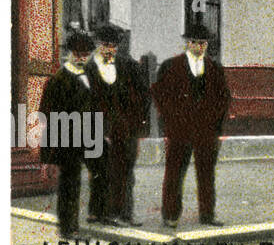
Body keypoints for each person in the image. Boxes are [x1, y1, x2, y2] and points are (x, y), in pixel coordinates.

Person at [152, 22, 230, 228]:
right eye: (194, 42)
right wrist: (170, 120)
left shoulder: (214, 68)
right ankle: (170, 214)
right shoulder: (171, 65)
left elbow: (223, 98)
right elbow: (160, 95)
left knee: (206, 174)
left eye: (203, 43)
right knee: (174, 173)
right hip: (179, 130)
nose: (199, 46)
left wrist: (216, 126)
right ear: (187, 43)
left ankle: (207, 214)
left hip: (206, 131)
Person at [87, 24, 150, 226]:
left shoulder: (128, 66)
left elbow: (143, 96)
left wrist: (139, 126)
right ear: (97, 44)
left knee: (126, 171)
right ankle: (101, 213)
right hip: (98, 128)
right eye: (105, 45)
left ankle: (125, 213)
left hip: (125, 129)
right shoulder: (88, 69)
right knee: (102, 171)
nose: (109, 49)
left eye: (113, 45)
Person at [38, 31, 98, 237]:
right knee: (69, 185)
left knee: (87, 181)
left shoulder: (89, 76)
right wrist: (48, 154)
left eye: (86, 54)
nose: (82, 58)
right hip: (67, 140)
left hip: (88, 138)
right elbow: (47, 116)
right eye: (78, 54)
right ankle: (68, 228)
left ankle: (81, 222)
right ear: (70, 54)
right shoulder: (58, 80)